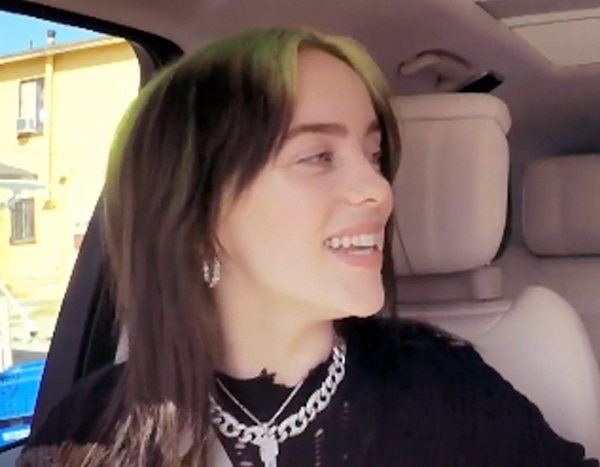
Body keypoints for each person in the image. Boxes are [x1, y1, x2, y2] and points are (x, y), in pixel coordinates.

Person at [16, 27, 599, 467]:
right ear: (195, 211)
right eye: (318, 156)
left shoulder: (445, 390)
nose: (380, 190)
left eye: (374, 157)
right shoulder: (89, 431)